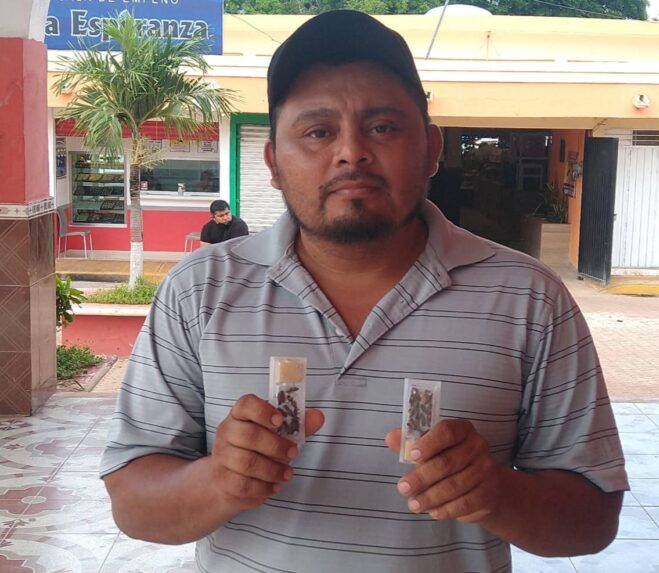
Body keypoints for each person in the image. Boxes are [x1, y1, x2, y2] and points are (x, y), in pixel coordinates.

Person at [100, 10, 628, 573]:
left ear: (431, 149)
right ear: (273, 163)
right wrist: (218, 481)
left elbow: (594, 520)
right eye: (318, 131)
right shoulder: (198, 290)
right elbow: (133, 505)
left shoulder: (529, 299)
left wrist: (497, 493)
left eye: (383, 127)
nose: (351, 152)